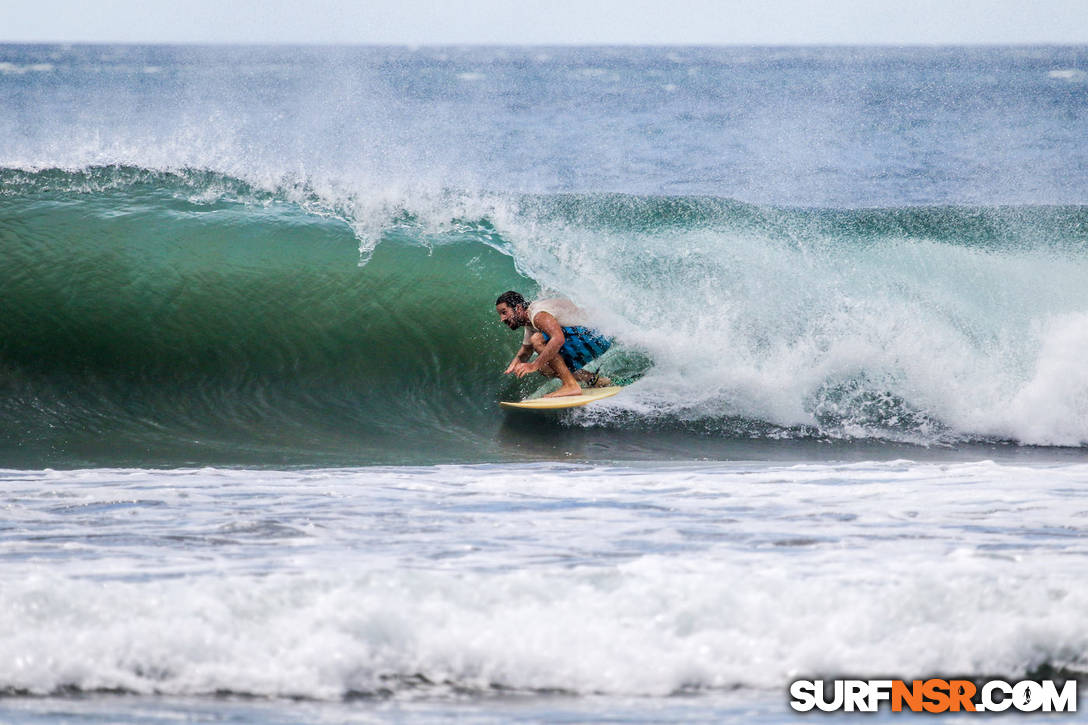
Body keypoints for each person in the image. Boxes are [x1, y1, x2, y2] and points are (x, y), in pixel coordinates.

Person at [495, 291, 612, 398]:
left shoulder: (538, 314)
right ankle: (594, 380)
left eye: (504, 312)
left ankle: (571, 385)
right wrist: (515, 364)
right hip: (591, 341)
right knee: (544, 367)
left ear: (518, 308)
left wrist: (533, 365)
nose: (502, 319)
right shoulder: (529, 321)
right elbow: (526, 350)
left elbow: (558, 339)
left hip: (597, 336)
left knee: (537, 340)